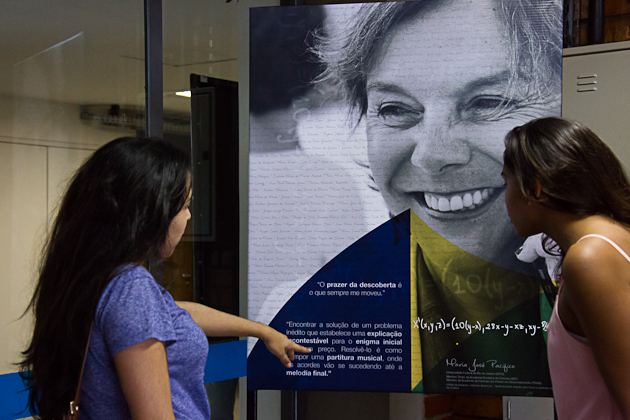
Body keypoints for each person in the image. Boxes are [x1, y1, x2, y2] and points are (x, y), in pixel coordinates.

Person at [308, 0, 562, 393]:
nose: (430, 156)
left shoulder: (597, 288)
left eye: (488, 102)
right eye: (394, 108)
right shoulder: (316, 316)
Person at [19, 137, 310, 420]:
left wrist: (262, 331)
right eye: (185, 206)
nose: (188, 217)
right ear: (151, 212)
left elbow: (174, 311)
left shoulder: (97, 279)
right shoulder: (132, 289)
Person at [502, 117, 630, 419]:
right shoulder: (613, 236)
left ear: (534, 189)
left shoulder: (590, 257)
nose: (504, 199)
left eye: (506, 182)